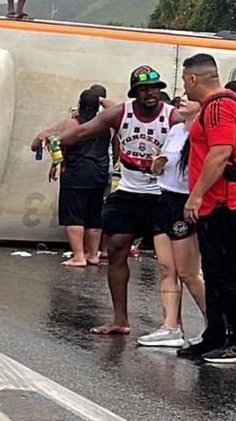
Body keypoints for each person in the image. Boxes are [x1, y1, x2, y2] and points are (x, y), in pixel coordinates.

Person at [55, 65, 177, 335]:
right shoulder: (122, 113)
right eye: (144, 89)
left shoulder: (173, 116)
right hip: (129, 192)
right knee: (117, 250)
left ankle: (173, 325)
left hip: (162, 194)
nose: (151, 93)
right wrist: (52, 140)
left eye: (155, 88)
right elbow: (82, 131)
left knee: (169, 263)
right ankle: (120, 320)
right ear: (135, 93)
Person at [177, 54, 236, 364]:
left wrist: (195, 197)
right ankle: (216, 335)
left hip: (226, 203)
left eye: (185, 81)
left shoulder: (220, 107)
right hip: (217, 204)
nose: (184, 87)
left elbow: (220, 154)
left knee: (227, 275)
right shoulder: (218, 105)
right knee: (214, 272)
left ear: (194, 79)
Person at [137, 96, 206, 348]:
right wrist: (157, 165)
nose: (183, 101)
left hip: (185, 202)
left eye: (190, 99)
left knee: (188, 272)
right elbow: (162, 166)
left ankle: (217, 324)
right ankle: (170, 326)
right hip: (164, 198)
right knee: (167, 268)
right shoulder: (176, 130)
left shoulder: (202, 133)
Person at [32, 90, 109, 268]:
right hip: (99, 174)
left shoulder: (72, 123)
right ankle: (93, 255)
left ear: (80, 104)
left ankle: (78, 256)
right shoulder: (106, 124)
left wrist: (35, 145)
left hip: (76, 174)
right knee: (94, 217)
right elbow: (116, 147)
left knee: (74, 216)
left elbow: (45, 136)